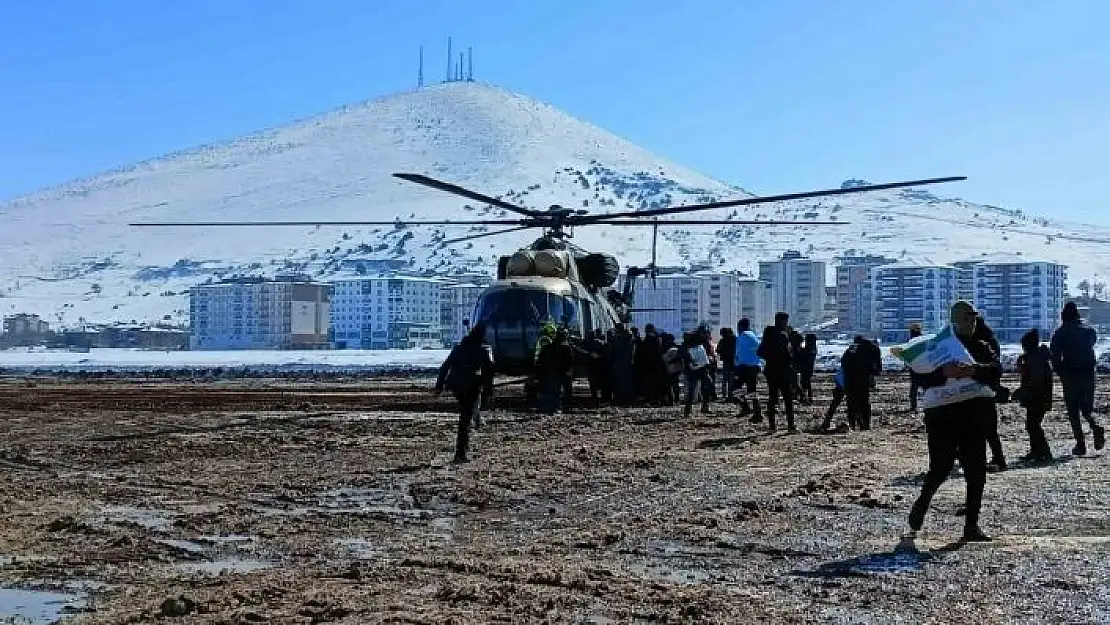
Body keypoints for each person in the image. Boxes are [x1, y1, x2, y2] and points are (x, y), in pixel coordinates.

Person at [907, 301, 997, 543]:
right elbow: (920, 377)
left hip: (972, 416)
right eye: (968, 317)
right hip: (942, 417)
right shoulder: (937, 348)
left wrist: (973, 371)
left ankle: (971, 525)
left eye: (974, 318)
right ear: (955, 320)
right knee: (940, 466)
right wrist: (943, 374)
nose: (972, 322)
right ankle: (922, 503)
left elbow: (995, 373)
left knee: (976, 471)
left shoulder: (981, 346)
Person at [1050, 302, 1105, 456]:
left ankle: (1080, 445)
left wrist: (1061, 372)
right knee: (1088, 409)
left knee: (1073, 411)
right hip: (1089, 373)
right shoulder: (1089, 330)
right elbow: (1092, 343)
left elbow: (1055, 356)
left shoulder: (1060, 332)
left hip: (1071, 375)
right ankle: (1096, 426)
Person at [435, 322, 494, 464]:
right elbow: (489, 373)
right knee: (465, 420)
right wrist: (488, 392)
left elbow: (445, 366)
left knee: (465, 416)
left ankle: (461, 451)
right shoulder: (484, 350)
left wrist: (439, 386)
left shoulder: (459, 348)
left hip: (456, 385)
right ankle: (460, 453)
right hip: (471, 386)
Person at [973, 318, 1008, 472]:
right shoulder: (991, 340)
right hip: (989, 388)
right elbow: (996, 366)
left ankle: (981, 459)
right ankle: (998, 458)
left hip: (977, 389)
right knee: (990, 429)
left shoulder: (977, 344)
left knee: (974, 427)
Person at [1016, 328, 1054, 463]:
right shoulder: (1036, 357)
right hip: (1039, 397)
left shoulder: (1034, 359)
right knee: (1032, 424)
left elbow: (1034, 381)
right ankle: (1036, 451)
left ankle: (1043, 451)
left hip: (1037, 398)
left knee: (1033, 425)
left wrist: (1021, 392)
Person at [758, 312, 796, 432]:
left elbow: (760, 352)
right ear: (783, 322)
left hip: (770, 370)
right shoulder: (783, 336)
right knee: (788, 399)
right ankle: (790, 426)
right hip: (783, 371)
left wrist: (770, 358)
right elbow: (789, 355)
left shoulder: (768, 334)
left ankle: (772, 426)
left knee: (772, 397)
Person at [842, 335, 882, 430]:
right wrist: (872, 373)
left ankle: (852, 424)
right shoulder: (873, 348)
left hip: (850, 379)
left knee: (851, 403)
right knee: (864, 402)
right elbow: (877, 367)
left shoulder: (852, 348)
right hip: (864, 379)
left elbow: (844, 362)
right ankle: (866, 425)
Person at [734, 318, 763, 422]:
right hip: (754, 366)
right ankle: (756, 411)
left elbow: (737, 354)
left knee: (736, 388)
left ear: (741, 327)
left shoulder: (742, 337)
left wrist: (736, 366)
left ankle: (746, 407)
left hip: (744, 367)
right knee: (752, 390)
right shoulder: (753, 336)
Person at [681, 330, 713, 417]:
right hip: (697, 370)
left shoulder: (691, 344)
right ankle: (689, 410)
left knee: (696, 389)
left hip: (697, 370)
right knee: (701, 387)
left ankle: (690, 410)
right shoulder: (696, 343)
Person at [611, 324, 636, 407]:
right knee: (628, 382)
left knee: (621, 382)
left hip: (620, 363)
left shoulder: (617, 339)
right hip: (628, 362)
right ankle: (629, 399)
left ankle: (623, 399)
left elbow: (615, 351)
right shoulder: (631, 338)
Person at [819, 364, 848, 432]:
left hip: (841, 383)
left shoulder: (847, 356)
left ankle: (825, 424)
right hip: (845, 384)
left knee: (834, 406)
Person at [661, 333, 683, 406]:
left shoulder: (664, 347)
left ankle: (671, 400)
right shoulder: (676, 347)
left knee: (669, 385)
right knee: (674, 385)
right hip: (676, 369)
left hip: (669, 369)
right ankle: (675, 400)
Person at [907, 323, 925, 412]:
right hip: (924, 366)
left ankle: (913, 406)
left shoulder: (911, 340)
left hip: (914, 366)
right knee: (925, 386)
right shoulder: (924, 339)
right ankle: (926, 404)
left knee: (914, 387)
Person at [717, 327, 737, 402]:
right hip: (733, 362)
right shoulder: (735, 339)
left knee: (725, 379)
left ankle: (724, 394)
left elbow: (718, 350)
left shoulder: (723, 340)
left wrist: (723, 353)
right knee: (731, 380)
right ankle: (730, 395)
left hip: (726, 362)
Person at [797, 333, 818, 404]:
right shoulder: (813, 349)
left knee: (805, 383)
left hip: (805, 368)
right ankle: (808, 397)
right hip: (809, 368)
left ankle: (806, 397)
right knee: (807, 383)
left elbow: (803, 357)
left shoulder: (808, 350)